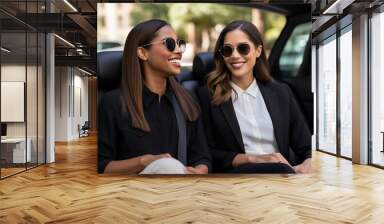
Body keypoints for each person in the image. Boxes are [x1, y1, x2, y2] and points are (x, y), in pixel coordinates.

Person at [98, 19, 211, 174]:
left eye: (179, 43)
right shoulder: (112, 103)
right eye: (170, 43)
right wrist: (143, 162)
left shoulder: (187, 100)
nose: (178, 50)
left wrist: (199, 171)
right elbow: (102, 166)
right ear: (143, 53)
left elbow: (202, 158)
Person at [197, 20, 311, 174]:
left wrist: (308, 162)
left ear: (258, 51)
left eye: (243, 48)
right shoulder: (206, 97)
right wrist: (252, 158)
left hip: (283, 179)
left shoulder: (281, 92)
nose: (235, 55)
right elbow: (205, 153)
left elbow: (306, 146)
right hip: (237, 180)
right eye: (227, 50)